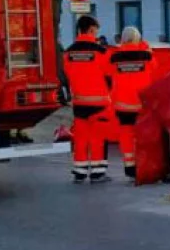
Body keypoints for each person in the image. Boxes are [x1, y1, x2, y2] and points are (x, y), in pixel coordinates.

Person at [63, 15, 114, 183]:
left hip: (79, 102)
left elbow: (67, 74)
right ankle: (98, 172)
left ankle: (80, 171)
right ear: (91, 29)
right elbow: (109, 76)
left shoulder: (69, 52)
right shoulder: (101, 52)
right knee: (98, 137)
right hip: (99, 102)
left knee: (81, 137)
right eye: (95, 31)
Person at [108, 26, 153, 179]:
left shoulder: (114, 57)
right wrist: (145, 47)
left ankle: (129, 165)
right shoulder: (147, 56)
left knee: (126, 134)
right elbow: (155, 69)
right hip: (142, 104)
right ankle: (143, 163)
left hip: (122, 104)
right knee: (142, 134)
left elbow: (109, 74)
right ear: (137, 38)